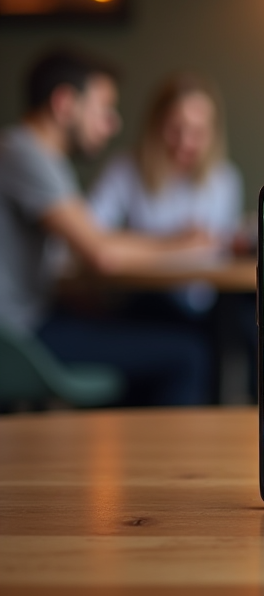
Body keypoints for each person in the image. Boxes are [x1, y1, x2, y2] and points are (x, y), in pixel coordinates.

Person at [0, 48, 214, 406]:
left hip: (31, 323)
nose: (113, 123)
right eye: (103, 109)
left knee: (149, 328)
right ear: (65, 103)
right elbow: (101, 253)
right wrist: (182, 244)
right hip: (20, 336)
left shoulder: (34, 155)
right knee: (188, 354)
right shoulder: (25, 154)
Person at [89, 72, 243, 313]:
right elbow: (89, 241)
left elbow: (219, 255)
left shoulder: (224, 179)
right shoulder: (123, 170)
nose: (185, 142)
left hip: (204, 307)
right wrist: (176, 244)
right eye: (175, 128)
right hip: (138, 302)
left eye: (197, 131)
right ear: (156, 125)